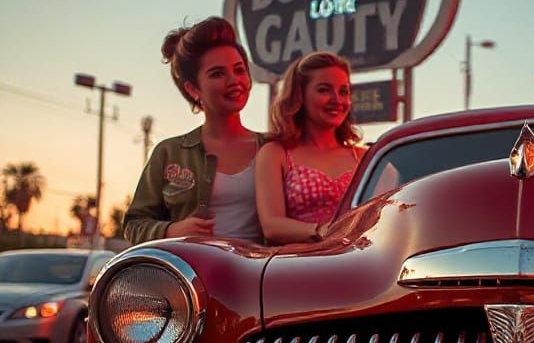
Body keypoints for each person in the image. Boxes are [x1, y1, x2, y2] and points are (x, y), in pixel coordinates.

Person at [124, 17, 263, 245]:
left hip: (261, 275)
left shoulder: (273, 147)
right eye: (217, 74)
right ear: (193, 88)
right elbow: (133, 224)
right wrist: (171, 230)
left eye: (239, 70)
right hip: (193, 276)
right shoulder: (169, 153)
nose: (234, 81)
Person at [255, 51, 364, 244]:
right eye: (324, 90)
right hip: (300, 265)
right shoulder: (275, 153)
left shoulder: (363, 156)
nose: (337, 100)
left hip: (357, 263)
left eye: (344, 91)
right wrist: (323, 230)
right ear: (300, 96)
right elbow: (271, 226)